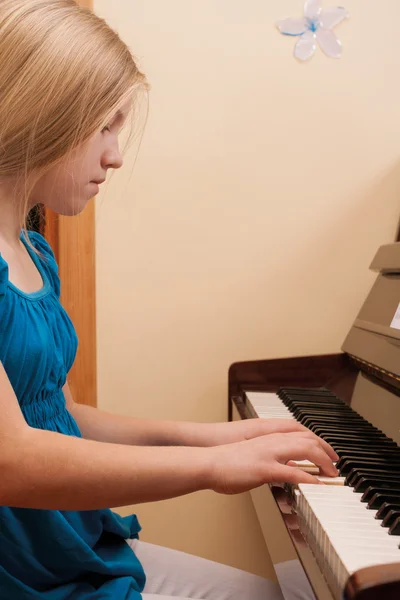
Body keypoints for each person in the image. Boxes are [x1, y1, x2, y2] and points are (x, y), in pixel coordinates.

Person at [0, 1, 339, 599]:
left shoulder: (33, 252)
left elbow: (63, 419)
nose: (116, 154)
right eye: (104, 125)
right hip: (25, 572)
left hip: (69, 545)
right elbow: (14, 459)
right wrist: (211, 469)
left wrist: (223, 438)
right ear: (45, 113)